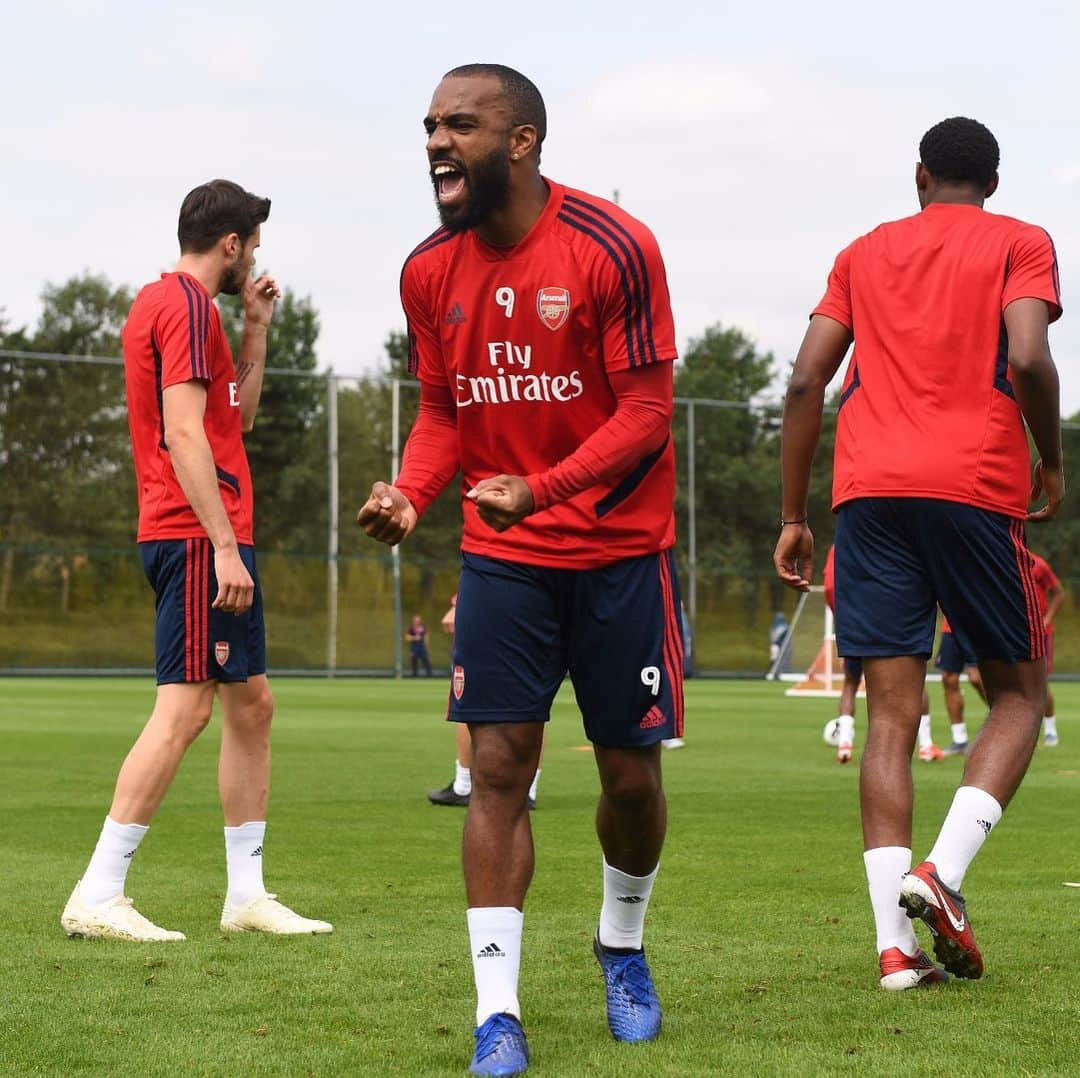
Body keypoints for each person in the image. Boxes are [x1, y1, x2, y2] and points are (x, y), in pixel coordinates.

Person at [358, 63, 682, 1075]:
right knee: (497, 768)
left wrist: (543, 487)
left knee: (630, 776)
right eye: (429, 128)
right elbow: (444, 417)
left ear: (524, 140)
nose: (436, 143)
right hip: (502, 559)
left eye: (461, 125)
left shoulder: (614, 247)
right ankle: (497, 1012)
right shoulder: (427, 270)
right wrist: (412, 492)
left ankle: (621, 947)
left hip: (622, 554)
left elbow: (645, 412)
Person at [775, 116, 1063, 992]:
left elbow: (803, 380)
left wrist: (793, 511)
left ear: (919, 176)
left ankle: (894, 953)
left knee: (892, 717)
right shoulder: (1020, 241)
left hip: (867, 492)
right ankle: (940, 873)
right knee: (1019, 694)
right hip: (971, 482)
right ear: (993, 182)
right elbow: (1028, 354)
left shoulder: (863, 252)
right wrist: (1050, 456)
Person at [61, 181, 331, 942]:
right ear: (233, 245)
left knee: (252, 704)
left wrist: (256, 330)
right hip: (193, 532)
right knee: (186, 708)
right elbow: (185, 436)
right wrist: (220, 548)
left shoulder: (196, 310)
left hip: (213, 530)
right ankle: (98, 890)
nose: (257, 259)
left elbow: (231, 419)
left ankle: (246, 894)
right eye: (255, 246)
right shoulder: (178, 304)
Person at [823, 546, 942, 764]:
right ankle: (925, 745)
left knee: (850, 682)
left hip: (854, 620)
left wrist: (842, 615)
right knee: (914, 679)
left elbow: (830, 585)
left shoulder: (842, 544)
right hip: (891, 618)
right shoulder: (895, 538)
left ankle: (845, 743)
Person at [429, 593, 543, 808]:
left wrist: (458, 602)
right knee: (534, 696)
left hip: (507, 591)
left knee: (473, 688)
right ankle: (527, 789)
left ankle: (464, 785)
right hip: (550, 594)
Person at [935, 615, 986, 756]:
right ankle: (960, 740)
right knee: (948, 679)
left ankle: (1005, 717)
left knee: (976, 677)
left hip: (979, 624)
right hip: (951, 626)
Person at [1030, 552, 1065, 745]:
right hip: (1018, 633)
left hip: (1041, 633)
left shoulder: (1039, 564)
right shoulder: (1004, 561)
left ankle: (1050, 730)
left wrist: (1048, 619)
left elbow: (1059, 592)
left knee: (1040, 682)